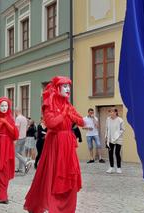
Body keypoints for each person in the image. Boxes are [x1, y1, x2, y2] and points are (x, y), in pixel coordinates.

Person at [24, 76, 84, 213]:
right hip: (56, 143)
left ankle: (67, 208)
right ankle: (53, 207)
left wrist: (75, 118)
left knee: (70, 176)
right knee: (53, 175)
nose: (68, 89)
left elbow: (81, 120)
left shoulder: (68, 105)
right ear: (57, 88)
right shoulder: (48, 104)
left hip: (68, 144)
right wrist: (64, 114)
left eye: (69, 86)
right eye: (65, 86)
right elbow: (51, 123)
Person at [0, 97, 19, 204]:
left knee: (5, 170)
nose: (4, 108)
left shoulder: (10, 117)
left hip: (8, 147)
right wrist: (0, 124)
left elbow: (15, 134)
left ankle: (3, 195)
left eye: (6, 105)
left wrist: (6, 123)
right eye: (2, 105)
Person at [105, 108, 125, 174]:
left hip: (118, 139)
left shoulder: (120, 120)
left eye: (112, 112)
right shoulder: (108, 119)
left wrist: (117, 135)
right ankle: (111, 167)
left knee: (117, 153)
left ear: (116, 112)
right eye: (110, 112)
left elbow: (122, 129)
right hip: (110, 139)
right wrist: (106, 137)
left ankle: (119, 168)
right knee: (110, 153)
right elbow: (106, 129)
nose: (111, 113)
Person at [14, 108, 32, 174]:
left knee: (15, 153)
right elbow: (27, 127)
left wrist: (15, 138)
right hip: (24, 137)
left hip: (19, 138)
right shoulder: (24, 118)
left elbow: (17, 129)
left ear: (16, 112)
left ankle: (26, 162)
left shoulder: (18, 118)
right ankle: (21, 169)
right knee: (20, 153)